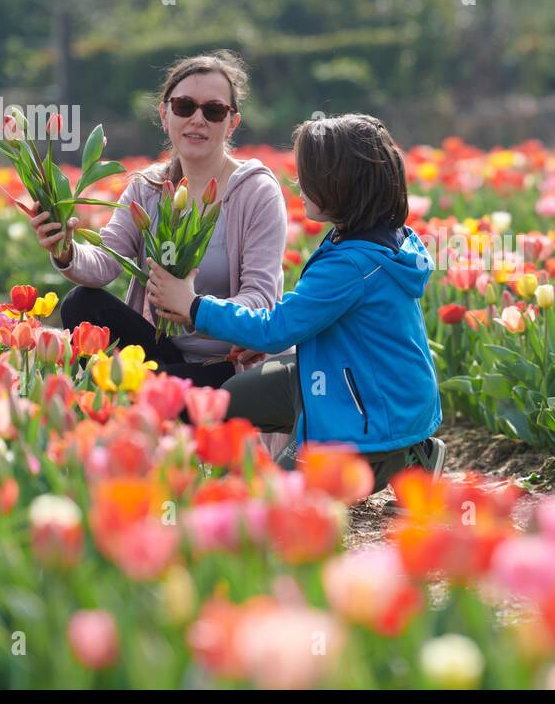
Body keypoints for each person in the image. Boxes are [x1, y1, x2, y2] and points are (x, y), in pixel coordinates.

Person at [145, 113, 444, 490]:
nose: (297, 182)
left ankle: (406, 462)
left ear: (342, 185)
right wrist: (252, 334)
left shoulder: (353, 263)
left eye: (309, 175)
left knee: (279, 502)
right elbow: (304, 310)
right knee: (229, 399)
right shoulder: (369, 237)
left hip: (370, 423)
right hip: (339, 379)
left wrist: (193, 306)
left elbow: (276, 330)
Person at [29, 50, 288, 387]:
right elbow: (107, 260)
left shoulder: (255, 192)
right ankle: (125, 386)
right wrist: (66, 250)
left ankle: (115, 390)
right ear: (165, 114)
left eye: (213, 110)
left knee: (135, 386)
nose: (197, 119)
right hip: (166, 350)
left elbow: (261, 302)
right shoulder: (149, 188)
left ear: (231, 123)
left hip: (230, 364)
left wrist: (192, 306)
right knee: (82, 303)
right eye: (184, 107)